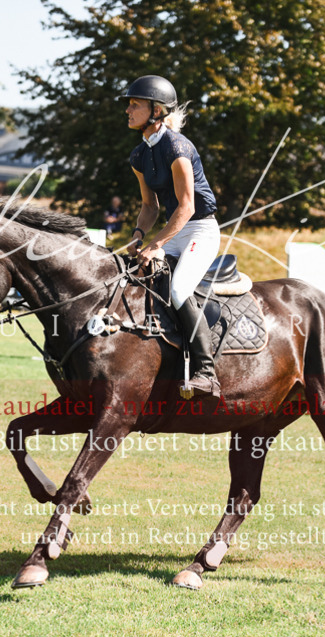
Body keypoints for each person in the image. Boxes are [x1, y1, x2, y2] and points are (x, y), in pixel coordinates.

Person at [120, 75, 221, 398]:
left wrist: (156, 244)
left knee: (178, 289)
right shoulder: (138, 156)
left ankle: (207, 372)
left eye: (135, 104)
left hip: (199, 229)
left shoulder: (178, 147)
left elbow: (187, 207)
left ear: (156, 111)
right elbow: (150, 206)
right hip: (173, 229)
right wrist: (138, 236)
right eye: (129, 104)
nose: (128, 110)